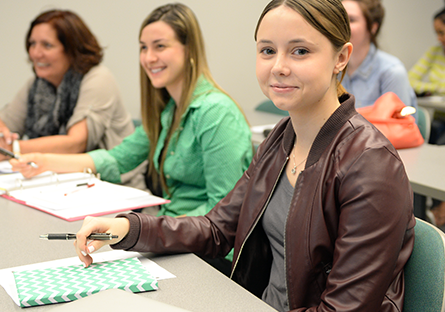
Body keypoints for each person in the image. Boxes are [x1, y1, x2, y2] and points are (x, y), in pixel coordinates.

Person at [67, 0, 415, 311]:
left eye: (300, 51)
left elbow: (344, 309)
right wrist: (127, 227)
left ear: (341, 57)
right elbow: (217, 228)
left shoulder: (370, 163)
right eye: (267, 51)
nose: (278, 66)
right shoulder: (281, 138)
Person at [11, 3, 252, 275]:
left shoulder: (216, 114)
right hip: (175, 236)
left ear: (189, 50)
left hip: (210, 253)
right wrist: (44, 162)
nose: (149, 57)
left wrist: (144, 230)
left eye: (160, 46)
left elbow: (220, 215)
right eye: (143, 47)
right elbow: (117, 158)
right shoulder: (170, 111)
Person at [0, 10, 134, 157]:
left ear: (72, 49)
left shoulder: (98, 78)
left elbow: (76, 143)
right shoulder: (35, 85)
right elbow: (7, 124)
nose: (36, 53)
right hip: (57, 175)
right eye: (32, 44)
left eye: (47, 45)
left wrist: (13, 147)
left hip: (113, 178)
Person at [340, 0, 417, 116]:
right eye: (340, 19)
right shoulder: (333, 67)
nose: (343, 26)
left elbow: (398, 128)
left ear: (373, 27)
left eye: (351, 20)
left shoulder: (392, 72)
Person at [409, 7, 445, 226]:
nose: (439, 38)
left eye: (442, 32)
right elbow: (412, 81)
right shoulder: (435, 52)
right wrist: (438, 87)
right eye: (437, 33)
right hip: (440, 119)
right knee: (431, 145)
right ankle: (434, 211)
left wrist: (432, 88)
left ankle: (438, 212)